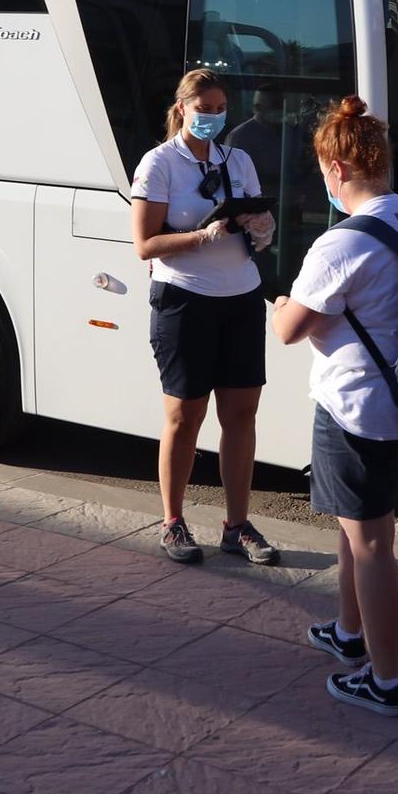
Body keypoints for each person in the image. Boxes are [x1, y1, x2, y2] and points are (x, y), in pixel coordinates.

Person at [271, 97, 398, 716]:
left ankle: (385, 680)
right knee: (356, 526)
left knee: (371, 545)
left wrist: (285, 302)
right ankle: (348, 632)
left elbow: (291, 328)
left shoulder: (341, 243)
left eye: (322, 172)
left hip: (359, 410)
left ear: (337, 169)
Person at [131, 69, 281, 566]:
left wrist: (262, 228)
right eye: (205, 109)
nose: (213, 117)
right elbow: (145, 245)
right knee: (185, 415)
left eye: (220, 109)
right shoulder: (158, 164)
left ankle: (236, 526)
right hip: (184, 300)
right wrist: (202, 237)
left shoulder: (238, 160)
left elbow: (254, 219)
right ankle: (173, 523)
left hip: (240, 296)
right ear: (182, 109)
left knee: (241, 413)